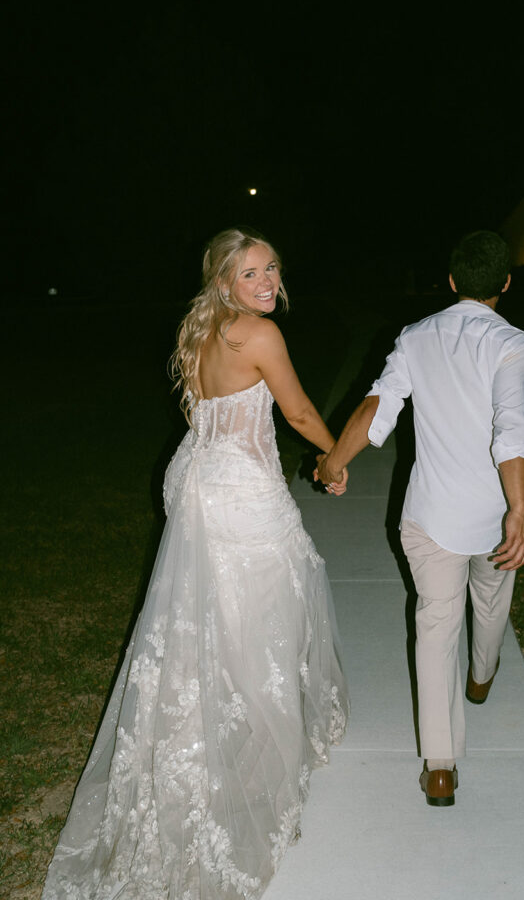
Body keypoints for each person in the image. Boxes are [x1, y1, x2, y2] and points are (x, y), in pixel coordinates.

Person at [42, 228, 350, 900]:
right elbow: (296, 410)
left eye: (271, 269)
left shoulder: (202, 329)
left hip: (193, 474)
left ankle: (212, 727)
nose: (266, 282)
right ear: (223, 281)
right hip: (237, 489)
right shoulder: (258, 335)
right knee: (264, 612)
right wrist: (335, 458)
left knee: (205, 615)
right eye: (250, 274)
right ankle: (251, 745)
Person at [316, 230, 524, 807]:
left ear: (452, 281)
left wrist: (334, 462)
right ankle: (481, 678)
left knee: (437, 626)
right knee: (489, 604)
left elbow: (378, 405)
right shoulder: (514, 344)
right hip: (490, 515)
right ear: (506, 283)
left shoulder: (416, 337)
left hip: (432, 517)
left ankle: (441, 767)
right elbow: (511, 425)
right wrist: (519, 509)